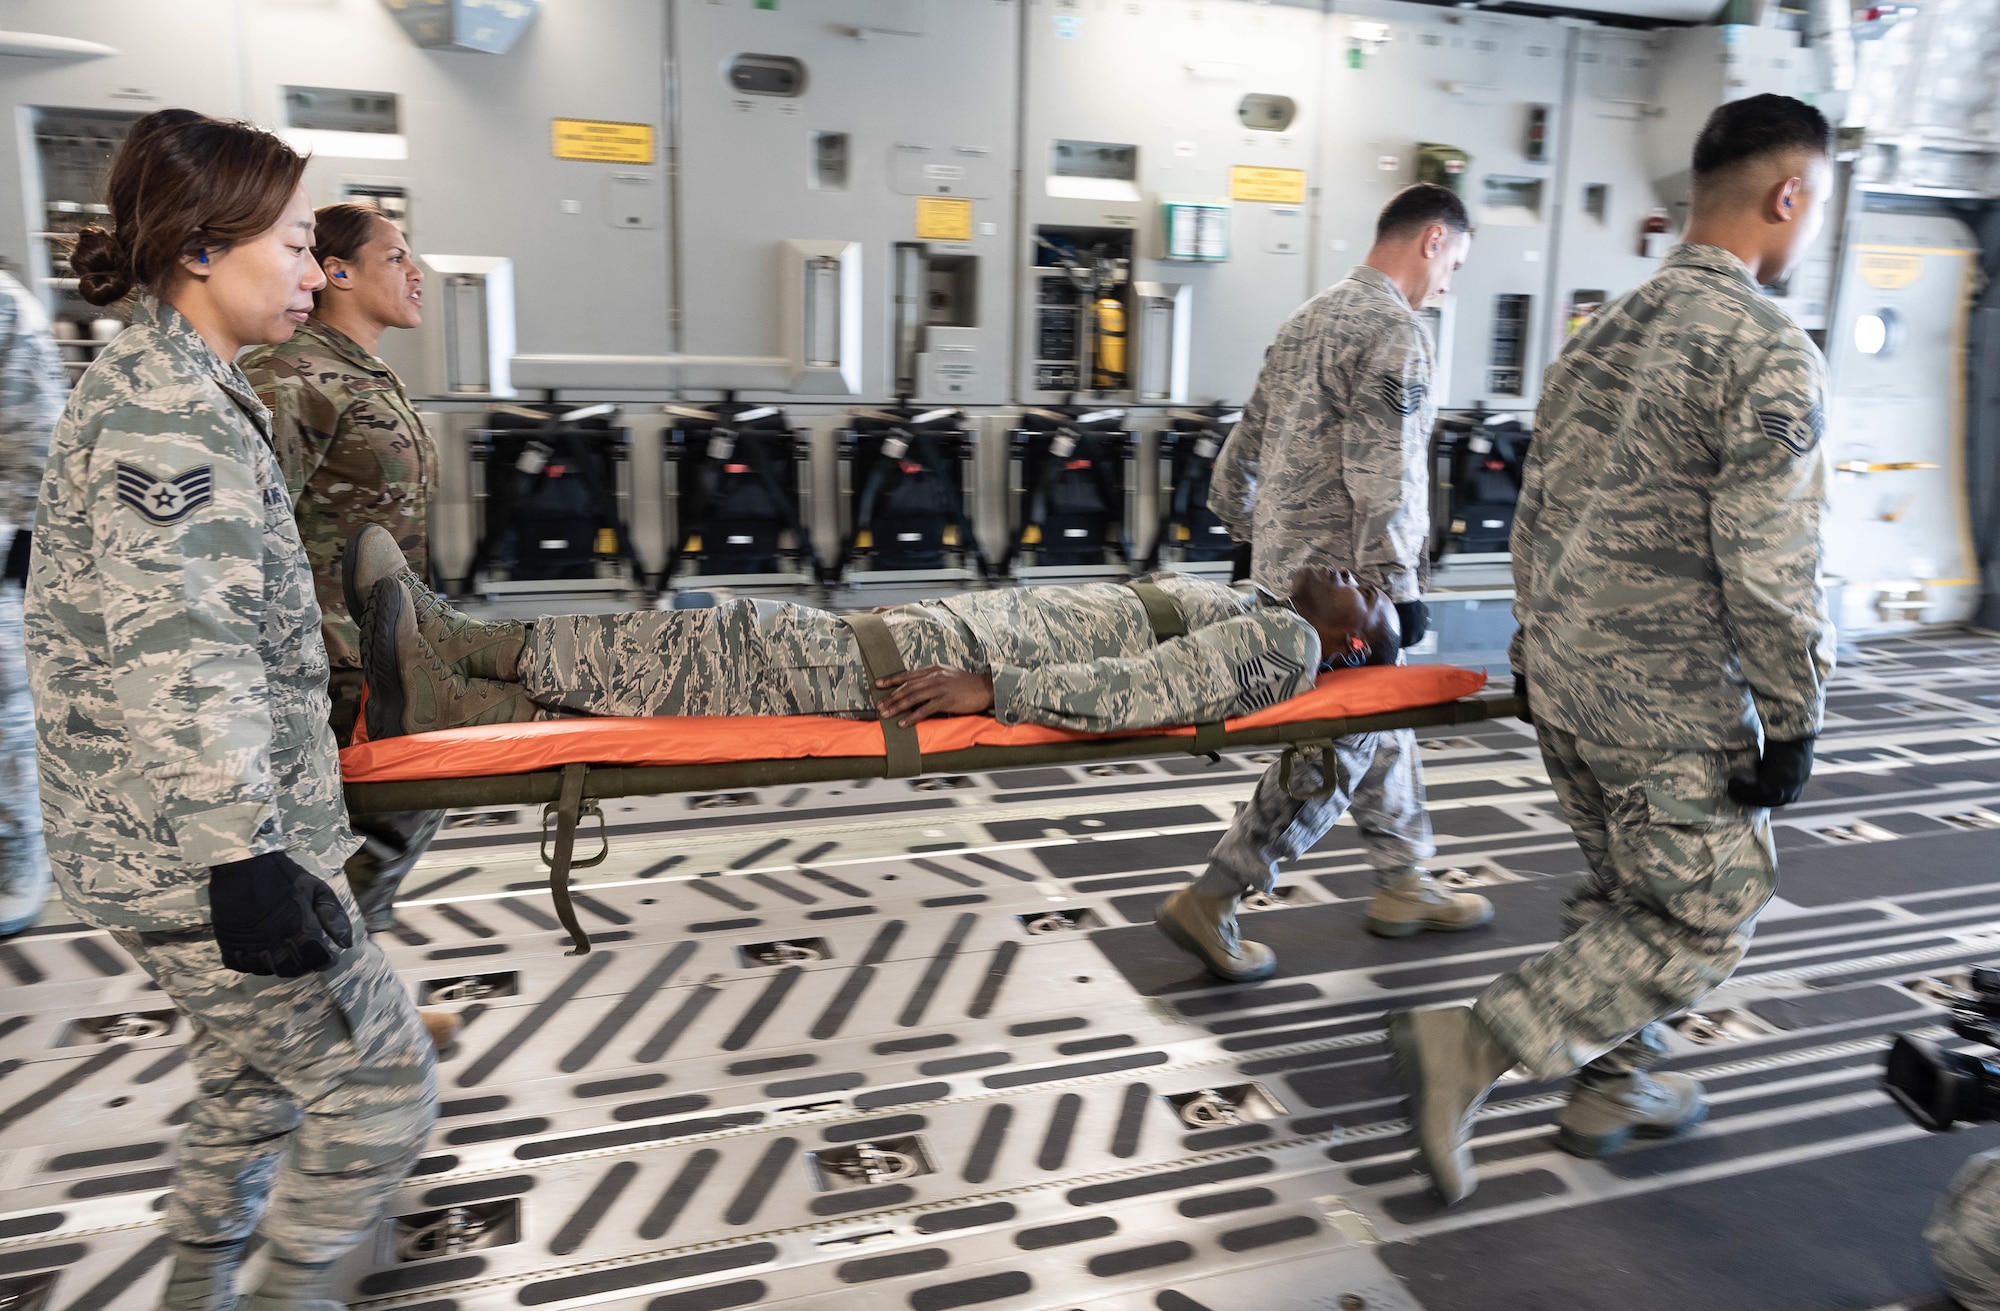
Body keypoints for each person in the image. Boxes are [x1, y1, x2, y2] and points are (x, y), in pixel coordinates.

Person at [1387, 93, 1836, 1202]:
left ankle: (1616, 1084)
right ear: (1787, 197)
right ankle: (1476, 1046)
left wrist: (1538, 652)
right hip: (1667, 697)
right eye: (1812, 205)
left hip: (1565, 680)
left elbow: (1531, 512)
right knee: (1702, 910)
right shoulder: (1765, 348)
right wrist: (1793, 717)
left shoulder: (1604, 335)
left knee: (1628, 893)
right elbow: (1768, 559)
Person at [26, 109, 438, 1311]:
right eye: (301, 241)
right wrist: (243, 859)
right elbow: (182, 655)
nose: (317, 269)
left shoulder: (180, 381)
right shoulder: (170, 412)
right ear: (203, 247)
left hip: (192, 844)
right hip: (196, 857)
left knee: (251, 1086)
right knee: (377, 1091)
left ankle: (197, 1291)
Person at [1153, 183, 1486, 986]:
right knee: (1337, 747)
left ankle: (1403, 877)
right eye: (1455, 265)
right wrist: (1402, 597)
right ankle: (1218, 894)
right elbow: (1389, 476)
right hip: (1349, 593)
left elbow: (1241, 452)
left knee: (1379, 722)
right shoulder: (1395, 331)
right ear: (1432, 240)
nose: (1449, 285)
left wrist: (1251, 541)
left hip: (1284, 578)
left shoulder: (1306, 318)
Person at [341, 522, 1402, 737]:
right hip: (929, 633)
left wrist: (1001, 692)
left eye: (1366, 591)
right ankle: (457, 680)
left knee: (717, 644)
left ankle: (461, 648)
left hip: (943, 668)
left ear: (1353, 644)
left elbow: (1156, 692)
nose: (1349, 574)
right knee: (699, 665)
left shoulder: (1287, 647)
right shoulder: (1260, 609)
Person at [242, 203, 440, 933]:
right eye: (396, 258)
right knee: (374, 820)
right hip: (329, 659)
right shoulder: (290, 375)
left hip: (385, 646)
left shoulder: (361, 369)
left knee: (393, 817)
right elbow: (255, 531)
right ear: (337, 272)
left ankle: (354, 980)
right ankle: (333, 989)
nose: (416, 273)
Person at [0, 266, 63, 936]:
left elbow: (37, 444)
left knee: (5, 713)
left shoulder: (6, 308)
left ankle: (17, 851)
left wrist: (20, 561)